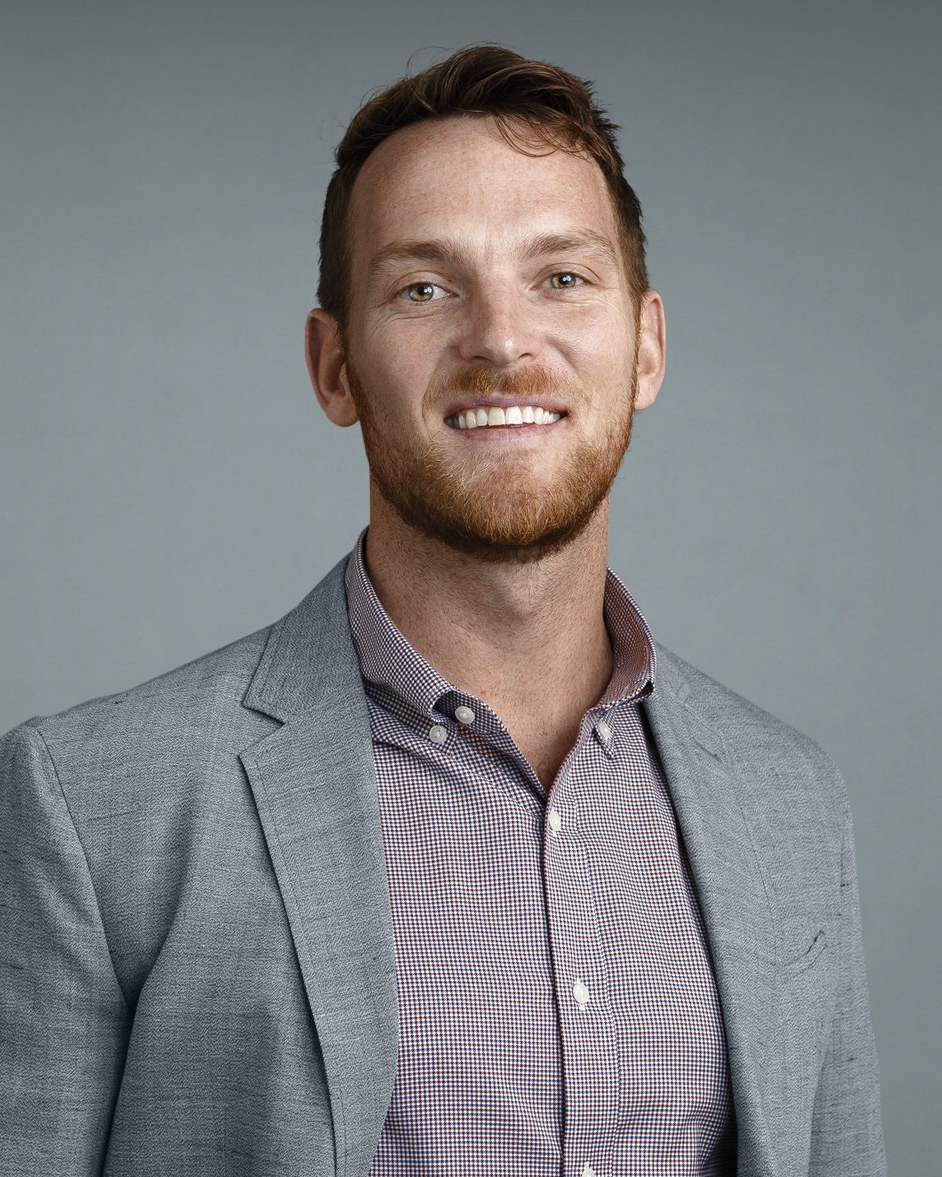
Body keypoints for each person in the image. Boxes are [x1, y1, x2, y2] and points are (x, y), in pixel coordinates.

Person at [0, 44, 885, 1177]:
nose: (502, 340)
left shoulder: (790, 803)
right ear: (334, 366)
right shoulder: (93, 807)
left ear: (646, 346)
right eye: (424, 287)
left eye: (561, 277)